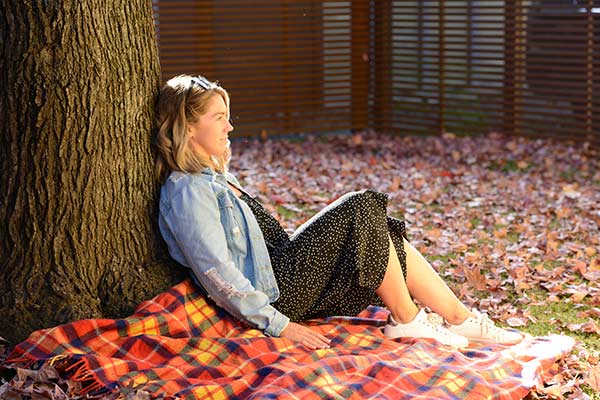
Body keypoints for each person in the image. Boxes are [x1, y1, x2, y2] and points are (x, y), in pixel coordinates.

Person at [154, 75, 523, 350]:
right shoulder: (188, 190)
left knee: (380, 231)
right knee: (360, 205)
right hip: (279, 295)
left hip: (287, 274)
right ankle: (408, 320)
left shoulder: (213, 178)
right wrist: (279, 325)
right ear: (188, 127)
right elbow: (218, 272)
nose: (230, 126)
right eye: (219, 117)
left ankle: (460, 319)